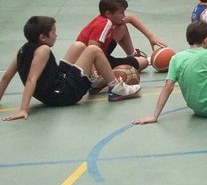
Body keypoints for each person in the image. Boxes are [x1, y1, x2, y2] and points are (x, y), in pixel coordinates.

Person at [1, 16, 140, 120]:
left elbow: (7, 76)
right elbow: (31, 79)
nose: (56, 35)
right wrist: (23, 109)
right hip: (63, 94)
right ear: (43, 37)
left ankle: (94, 81)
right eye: (53, 32)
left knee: (78, 46)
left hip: (54, 89)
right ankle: (117, 89)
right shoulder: (43, 50)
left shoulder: (23, 49)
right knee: (93, 50)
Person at [64, 0, 166, 72]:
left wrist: (151, 37)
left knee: (122, 27)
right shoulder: (103, 24)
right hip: (91, 62)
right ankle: (104, 73)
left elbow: (131, 18)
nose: (123, 15)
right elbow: (91, 51)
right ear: (108, 13)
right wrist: (97, 75)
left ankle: (132, 54)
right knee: (143, 62)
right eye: (121, 13)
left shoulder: (106, 19)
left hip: (100, 54)